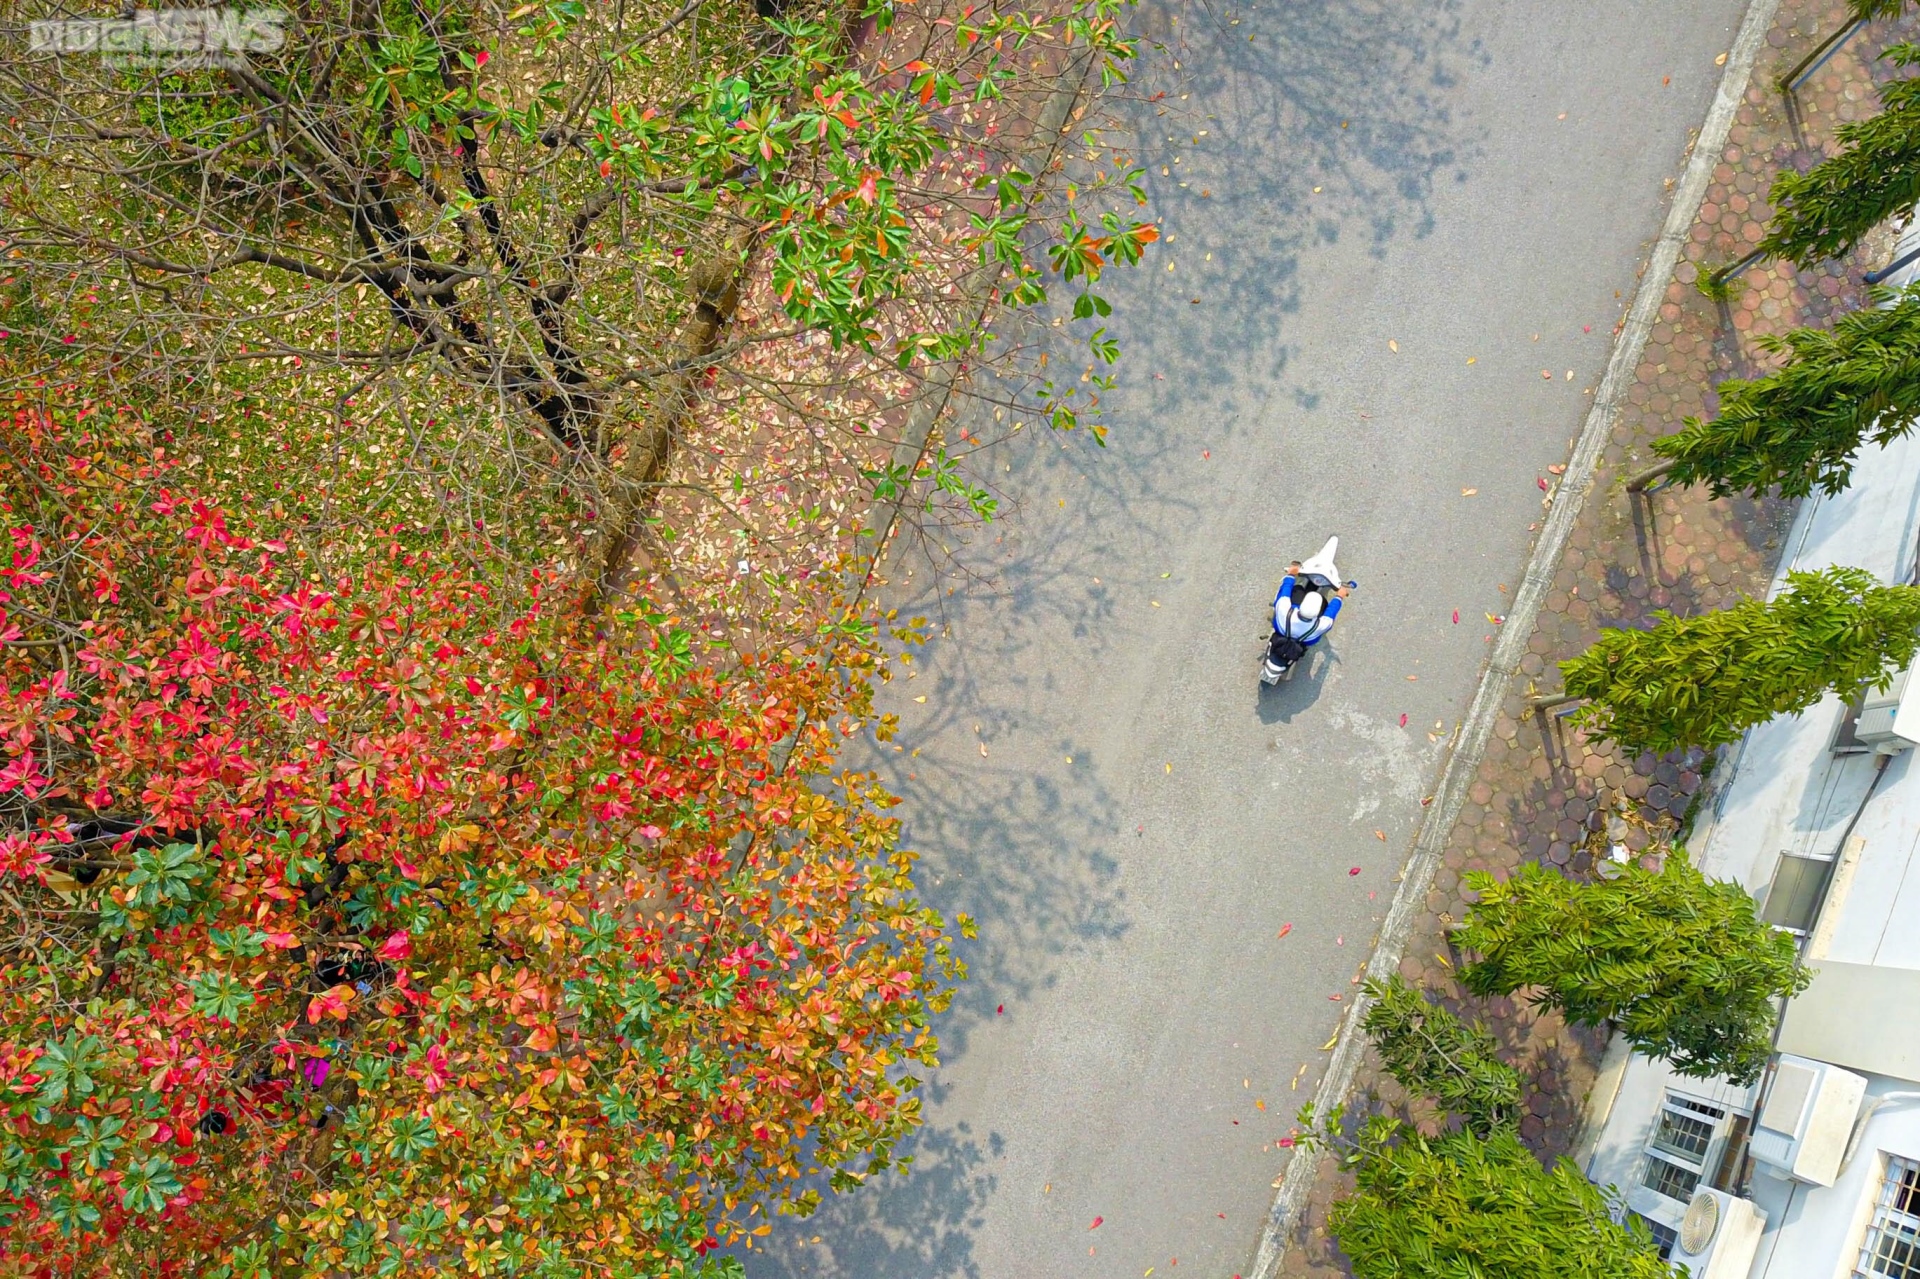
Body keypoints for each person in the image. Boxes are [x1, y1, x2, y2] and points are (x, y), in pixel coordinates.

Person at [1273, 559, 1351, 646]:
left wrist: (1291, 574)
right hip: (1305, 640)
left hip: (1282, 630)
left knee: (1294, 591)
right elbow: (1331, 612)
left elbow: (1285, 592)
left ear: (1300, 607)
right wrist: (1339, 596)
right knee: (1326, 606)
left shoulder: (1284, 612)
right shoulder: (1320, 626)